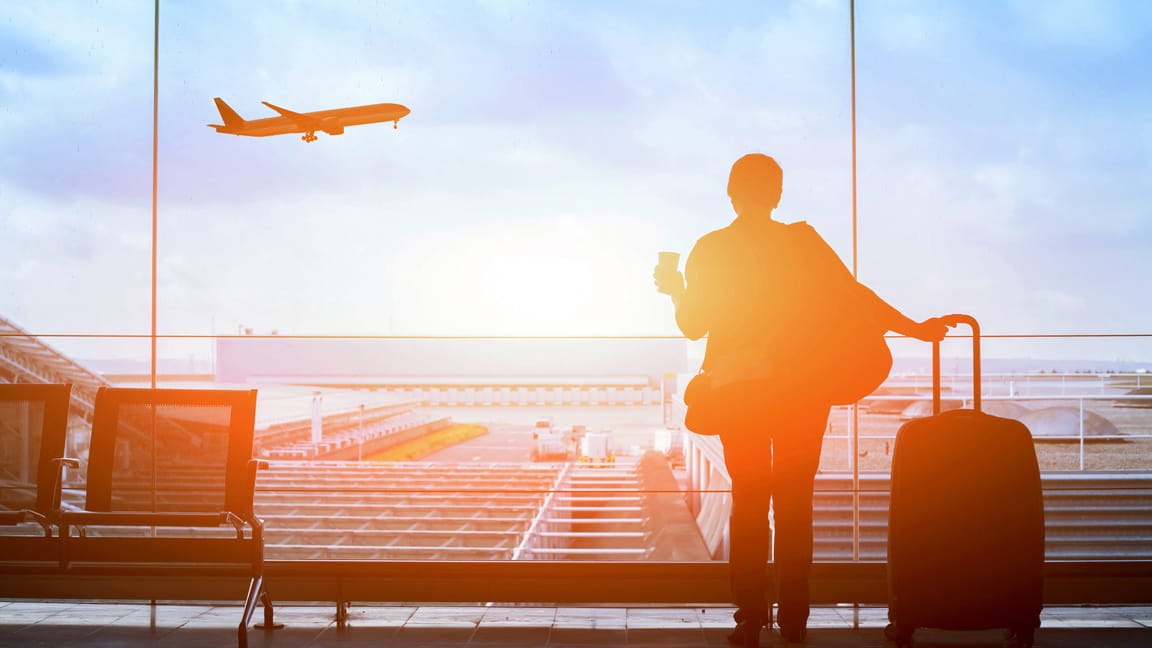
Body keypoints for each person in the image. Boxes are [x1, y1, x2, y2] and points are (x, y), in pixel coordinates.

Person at [654, 154, 948, 646]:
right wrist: (915, 329)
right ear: (778, 194)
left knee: (750, 503)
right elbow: (856, 295)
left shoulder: (713, 247)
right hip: (802, 392)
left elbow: (692, 326)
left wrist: (676, 289)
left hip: (740, 392)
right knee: (794, 505)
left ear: (731, 192)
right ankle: (794, 618)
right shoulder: (803, 243)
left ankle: (750, 619)